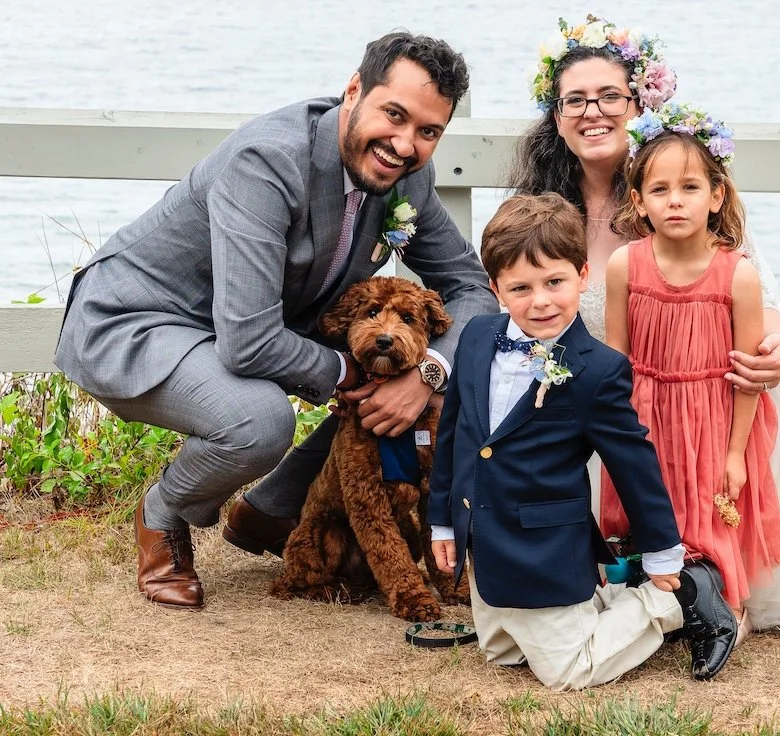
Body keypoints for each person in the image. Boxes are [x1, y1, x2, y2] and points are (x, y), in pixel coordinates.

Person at [507, 16, 780, 641]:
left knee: (777, 389)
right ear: (556, 117)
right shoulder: (545, 207)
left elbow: (753, 288)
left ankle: (725, 575)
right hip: (618, 390)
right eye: (575, 100)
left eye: (610, 95)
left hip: (703, 377)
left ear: (639, 102)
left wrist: (779, 344)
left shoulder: (680, 183)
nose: (593, 112)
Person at [54, 32, 496, 609]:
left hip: (237, 324)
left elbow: (469, 287)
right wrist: (346, 371)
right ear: (354, 90)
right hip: (138, 320)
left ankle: (269, 510)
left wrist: (429, 372)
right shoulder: (265, 163)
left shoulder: (405, 176)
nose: (404, 144)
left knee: (415, 376)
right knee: (260, 420)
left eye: (428, 132)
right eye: (394, 115)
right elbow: (249, 342)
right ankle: (163, 511)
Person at [428, 192, 738, 688]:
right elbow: (456, 438)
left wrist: (663, 553)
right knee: (501, 653)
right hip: (483, 540)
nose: (542, 300)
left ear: (582, 276)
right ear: (496, 289)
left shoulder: (599, 369)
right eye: (521, 288)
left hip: (545, 542)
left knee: (567, 670)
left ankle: (678, 598)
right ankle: (602, 602)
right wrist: (443, 522)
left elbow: (634, 464)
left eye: (555, 281)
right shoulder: (478, 337)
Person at [602, 103, 780, 626]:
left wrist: (735, 452)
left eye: (689, 188)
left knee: (709, 513)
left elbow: (746, 374)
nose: (675, 202)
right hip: (645, 412)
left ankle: (724, 607)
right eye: (659, 191)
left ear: (717, 195)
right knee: (646, 504)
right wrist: (611, 430)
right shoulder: (625, 264)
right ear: (638, 202)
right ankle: (651, 592)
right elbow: (617, 356)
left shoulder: (737, 275)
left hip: (713, 415)